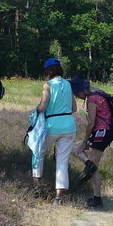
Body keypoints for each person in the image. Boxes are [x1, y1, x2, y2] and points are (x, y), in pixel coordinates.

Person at [33, 57, 77, 200]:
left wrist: (35, 111)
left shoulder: (48, 85)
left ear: (48, 70)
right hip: (69, 125)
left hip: (52, 125)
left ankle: (37, 187)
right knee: (62, 161)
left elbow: (43, 106)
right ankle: (59, 196)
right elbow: (74, 107)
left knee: (38, 153)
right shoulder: (68, 85)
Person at [69, 76, 113, 209]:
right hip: (105, 133)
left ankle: (97, 198)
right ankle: (88, 166)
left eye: (77, 93)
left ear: (83, 90)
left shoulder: (92, 99)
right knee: (74, 148)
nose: (77, 96)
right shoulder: (99, 95)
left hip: (101, 133)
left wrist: (86, 140)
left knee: (93, 167)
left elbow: (91, 123)